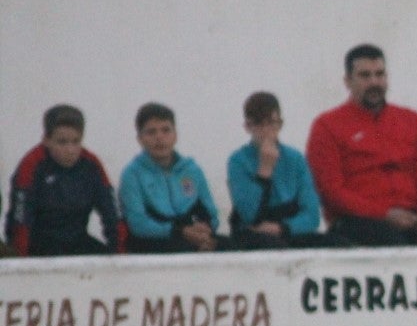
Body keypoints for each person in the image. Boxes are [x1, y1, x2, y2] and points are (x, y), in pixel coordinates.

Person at [306, 43, 417, 246]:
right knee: (394, 247)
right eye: (365, 75)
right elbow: (331, 191)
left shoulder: (411, 120)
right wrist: (384, 214)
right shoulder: (327, 125)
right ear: (347, 81)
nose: (374, 82)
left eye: (380, 74)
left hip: (413, 219)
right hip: (359, 223)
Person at [5, 104, 126, 256]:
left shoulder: (91, 165)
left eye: (76, 141)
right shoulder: (31, 166)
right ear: (46, 140)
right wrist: (20, 264)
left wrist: (119, 257)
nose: (70, 150)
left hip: (78, 242)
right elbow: (20, 222)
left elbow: (112, 214)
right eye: (62, 142)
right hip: (39, 246)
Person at [227, 92, 333, 250]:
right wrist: (264, 170)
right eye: (258, 124)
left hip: (288, 229)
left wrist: (281, 228)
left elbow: (312, 216)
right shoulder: (238, 161)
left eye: (271, 123)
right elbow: (249, 215)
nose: (266, 131)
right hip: (254, 235)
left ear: (280, 124)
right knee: (271, 245)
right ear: (248, 126)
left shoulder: (295, 159)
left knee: (336, 243)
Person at [118, 102, 223, 253]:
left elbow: (211, 213)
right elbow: (138, 224)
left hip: (190, 237)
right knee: (185, 250)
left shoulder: (192, 170)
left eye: (166, 130)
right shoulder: (132, 174)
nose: (159, 137)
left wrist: (205, 230)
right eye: (151, 132)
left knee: (231, 247)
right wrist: (180, 232)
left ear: (175, 135)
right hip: (151, 241)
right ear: (140, 139)